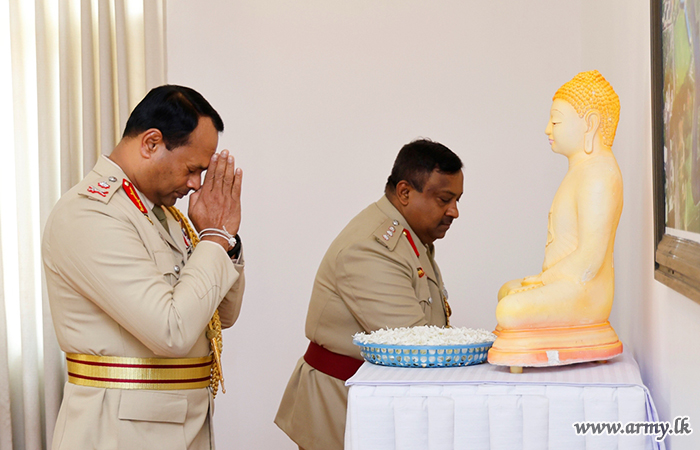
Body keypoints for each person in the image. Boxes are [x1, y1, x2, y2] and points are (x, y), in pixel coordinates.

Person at [42, 85, 245, 450]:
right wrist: (214, 239)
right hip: (119, 434)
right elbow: (172, 331)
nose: (196, 184)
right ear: (152, 143)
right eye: (192, 169)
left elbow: (219, 317)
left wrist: (225, 240)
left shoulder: (162, 215)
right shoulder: (91, 214)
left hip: (175, 426)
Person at [275, 139, 463, 450]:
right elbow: (416, 348)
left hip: (371, 404)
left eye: (457, 200)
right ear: (405, 192)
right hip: (340, 409)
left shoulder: (409, 236)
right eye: (445, 199)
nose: (454, 211)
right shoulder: (371, 248)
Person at [489, 70, 624, 368]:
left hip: (585, 291)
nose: (547, 129)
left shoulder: (599, 175)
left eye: (556, 121)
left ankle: (576, 334)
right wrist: (543, 281)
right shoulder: (582, 171)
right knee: (506, 292)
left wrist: (543, 280)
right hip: (564, 281)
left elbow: (590, 259)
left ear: (590, 124)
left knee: (509, 309)